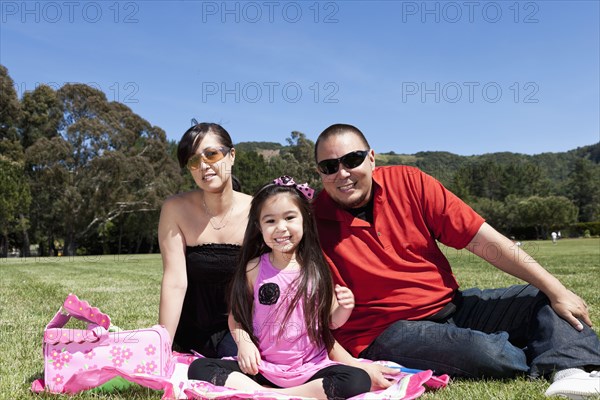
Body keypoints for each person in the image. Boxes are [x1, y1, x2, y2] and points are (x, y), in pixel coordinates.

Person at [312, 123, 600, 398]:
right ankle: (548, 349)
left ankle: (571, 372)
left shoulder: (409, 182)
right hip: (385, 331)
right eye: (330, 166)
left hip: (452, 306)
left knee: (546, 296)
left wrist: (557, 289)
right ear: (320, 173)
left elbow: (483, 240)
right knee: (487, 354)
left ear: (371, 158)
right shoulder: (308, 222)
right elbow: (274, 269)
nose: (343, 173)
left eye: (352, 159)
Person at [188, 176, 372, 399]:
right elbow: (236, 317)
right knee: (198, 369)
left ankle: (275, 395)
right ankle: (273, 392)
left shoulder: (317, 270)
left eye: (289, 217)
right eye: (270, 221)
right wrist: (244, 345)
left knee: (357, 380)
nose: (280, 228)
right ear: (259, 226)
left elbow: (332, 321)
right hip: (263, 368)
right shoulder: (254, 268)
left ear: (304, 220)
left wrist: (345, 307)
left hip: (309, 369)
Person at [158, 122, 252, 357]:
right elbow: (175, 282)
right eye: (193, 161)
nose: (203, 166)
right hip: (192, 331)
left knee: (237, 369)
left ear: (231, 155)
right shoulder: (175, 209)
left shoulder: (258, 210)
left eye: (211, 154)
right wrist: (161, 346)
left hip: (242, 329)